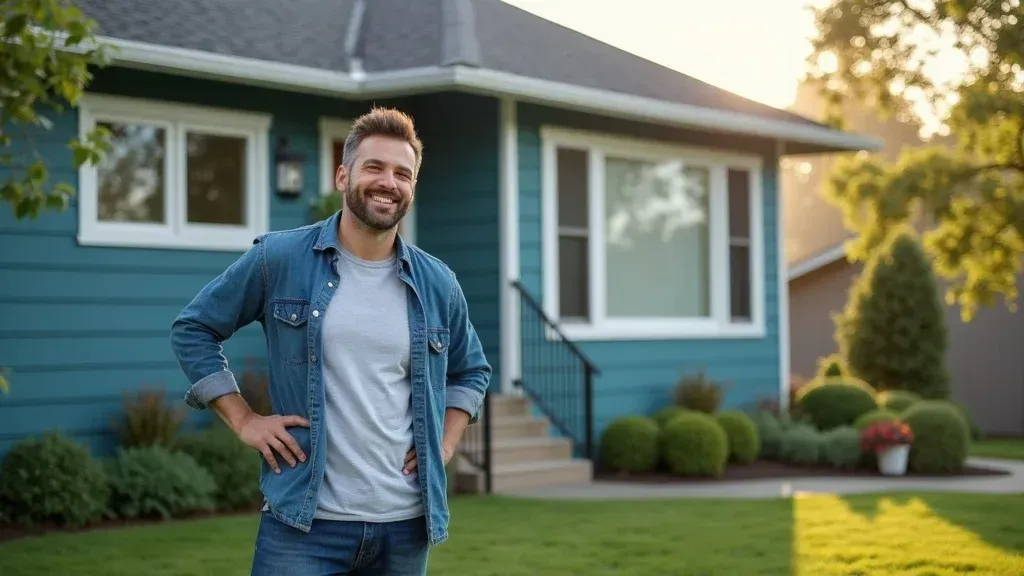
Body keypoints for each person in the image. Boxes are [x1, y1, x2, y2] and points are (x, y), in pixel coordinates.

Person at [170, 107, 491, 575]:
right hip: (304, 527)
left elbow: (471, 370)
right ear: (344, 175)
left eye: (403, 173)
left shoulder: (438, 282)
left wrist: (443, 443)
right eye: (374, 167)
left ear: (413, 188)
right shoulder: (280, 258)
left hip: (404, 528)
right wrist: (243, 420)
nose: (388, 182)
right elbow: (194, 328)